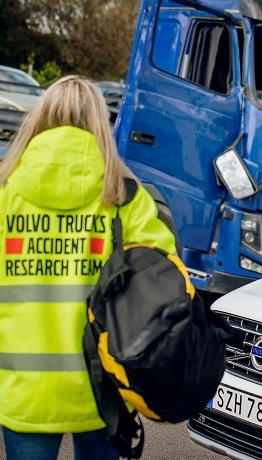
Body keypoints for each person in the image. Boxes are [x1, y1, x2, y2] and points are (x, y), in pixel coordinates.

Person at [0, 76, 176, 460]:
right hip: (104, 388)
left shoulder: (5, 193)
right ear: (100, 122)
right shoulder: (126, 197)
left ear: (39, 117)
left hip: (23, 389)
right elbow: (166, 283)